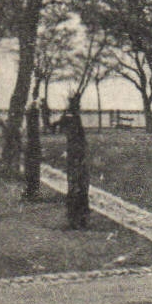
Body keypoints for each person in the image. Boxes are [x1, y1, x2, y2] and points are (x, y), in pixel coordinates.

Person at [53, 97, 90, 230]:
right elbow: (79, 139)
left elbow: (58, 126)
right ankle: (78, 218)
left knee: (76, 186)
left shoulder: (70, 119)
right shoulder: (74, 120)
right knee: (79, 187)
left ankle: (75, 217)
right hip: (77, 156)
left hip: (75, 156)